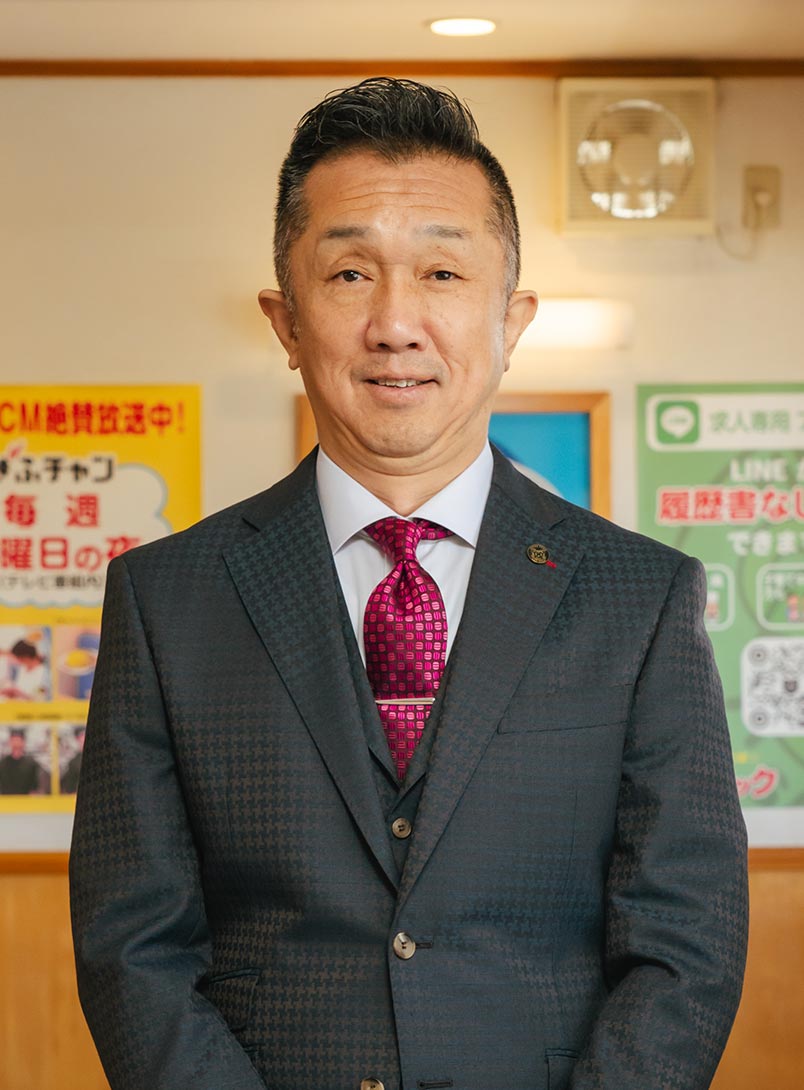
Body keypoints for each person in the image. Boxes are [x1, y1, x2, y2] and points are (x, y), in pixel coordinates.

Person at [70, 78, 748, 1090]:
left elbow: (686, 942)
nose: (396, 323)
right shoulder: (167, 600)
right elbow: (134, 944)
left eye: (441, 271)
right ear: (286, 320)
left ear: (511, 318)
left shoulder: (640, 598)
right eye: (349, 273)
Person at [0, 727, 42, 794]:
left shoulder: (31, 764)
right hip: (7, 799)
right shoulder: (3, 764)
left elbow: (34, 789)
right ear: (10, 742)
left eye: (18, 740)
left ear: (23, 742)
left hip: (25, 799)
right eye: (14, 740)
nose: (16, 743)